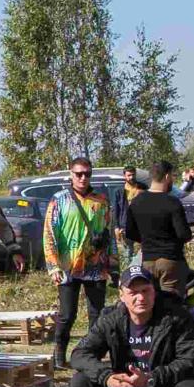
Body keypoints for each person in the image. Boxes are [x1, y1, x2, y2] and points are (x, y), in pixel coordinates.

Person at [42, 156, 113, 370]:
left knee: (97, 315)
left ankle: (91, 356)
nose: (83, 178)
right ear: (70, 174)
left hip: (95, 266)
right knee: (67, 314)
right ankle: (59, 354)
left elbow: (109, 235)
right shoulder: (59, 199)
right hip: (68, 266)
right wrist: (53, 265)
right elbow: (49, 234)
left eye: (87, 173)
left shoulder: (101, 200)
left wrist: (114, 265)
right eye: (79, 173)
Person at [125, 160, 191, 297]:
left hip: (147, 260)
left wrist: (146, 239)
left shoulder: (136, 201)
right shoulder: (172, 202)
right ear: (167, 176)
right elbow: (184, 234)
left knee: (152, 303)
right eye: (172, 176)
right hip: (171, 261)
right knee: (173, 305)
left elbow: (130, 232)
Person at [110, 165, 139, 265]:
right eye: (129, 175)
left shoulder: (141, 188)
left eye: (133, 175)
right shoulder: (119, 191)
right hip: (126, 225)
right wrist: (117, 227)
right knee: (128, 251)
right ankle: (129, 272)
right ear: (125, 176)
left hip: (140, 223)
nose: (131, 177)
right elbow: (115, 210)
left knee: (144, 251)